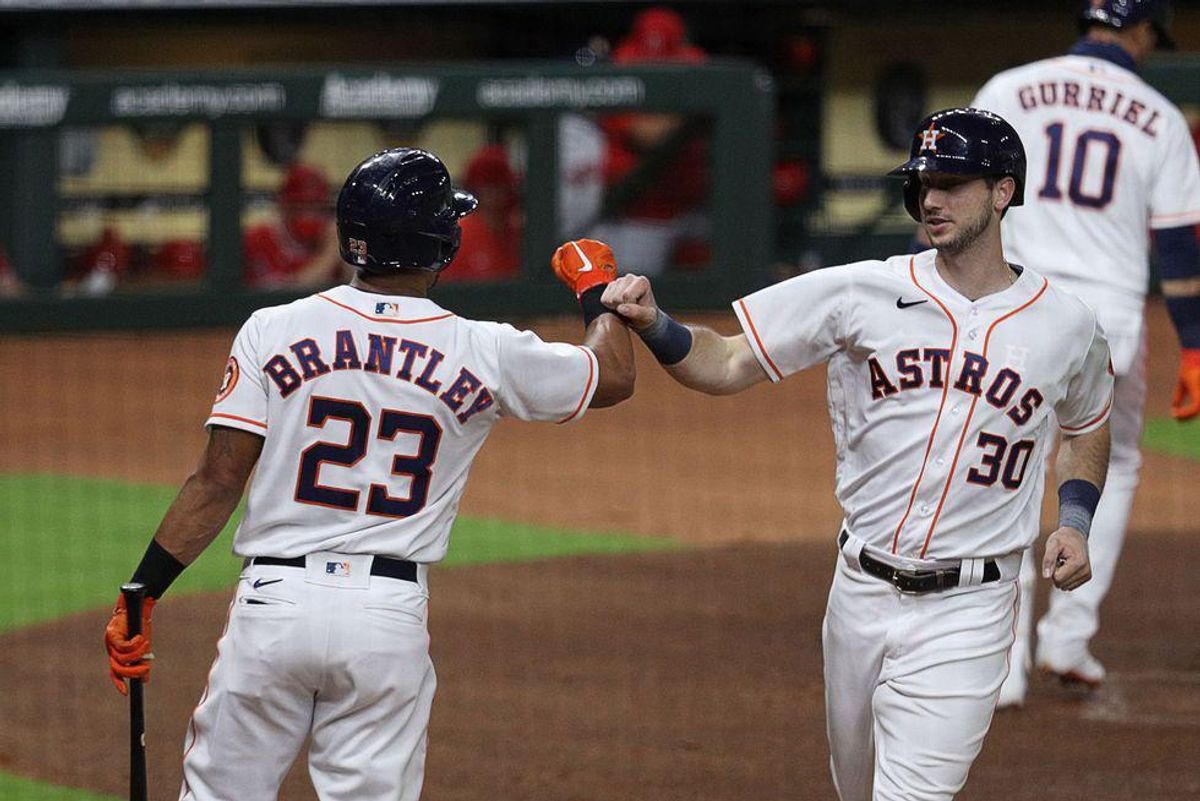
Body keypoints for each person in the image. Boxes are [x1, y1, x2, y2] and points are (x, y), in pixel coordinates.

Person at [585, 108, 1114, 800]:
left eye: (951, 184)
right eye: (923, 183)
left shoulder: (1066, 324)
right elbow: (727, 363)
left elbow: (1087, 424)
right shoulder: (860, 290)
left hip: (973, 607)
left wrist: (1074, 520)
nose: (931, 199)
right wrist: (657, 324)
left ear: (1002, 192)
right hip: (858, 594)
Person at [103, 148, 635, 800]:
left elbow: (216, 481)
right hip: (385, 617)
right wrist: (595, 289)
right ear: (441, 242)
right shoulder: (484, 348)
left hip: (273, 607)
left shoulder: (272, 328)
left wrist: (142, 592)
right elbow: (612, 376)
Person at [970, 0, 1200, 707]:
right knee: (1115, 463)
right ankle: (1068, 638)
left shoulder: (1009, 87)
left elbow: (958, 200)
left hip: (1017, 308)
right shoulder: (1160, 117)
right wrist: (1195, 346)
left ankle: (1001, 663)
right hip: (1110, 323)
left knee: (1003, 471)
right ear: (1141, 32)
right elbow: (1179, 249)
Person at [591, 6, 710, 275]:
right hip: (638, 216)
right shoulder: (618, 81)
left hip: (692, 208)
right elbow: (647, 135)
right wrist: (691, 106)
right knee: (634, 290)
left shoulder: (696, 68)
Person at [243, 162, 346, 289]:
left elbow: (357, 290)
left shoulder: (333, 239)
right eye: (300, 206)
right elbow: (288, 294)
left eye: (316, 207)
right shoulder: (256, 239)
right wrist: (329, 256)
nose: (309, 215)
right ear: (283, 205)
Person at [444, 144, 521, 283]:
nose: (494, 193)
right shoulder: (460, 235)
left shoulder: (518, 233)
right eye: (487, 186)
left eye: (501, 185)